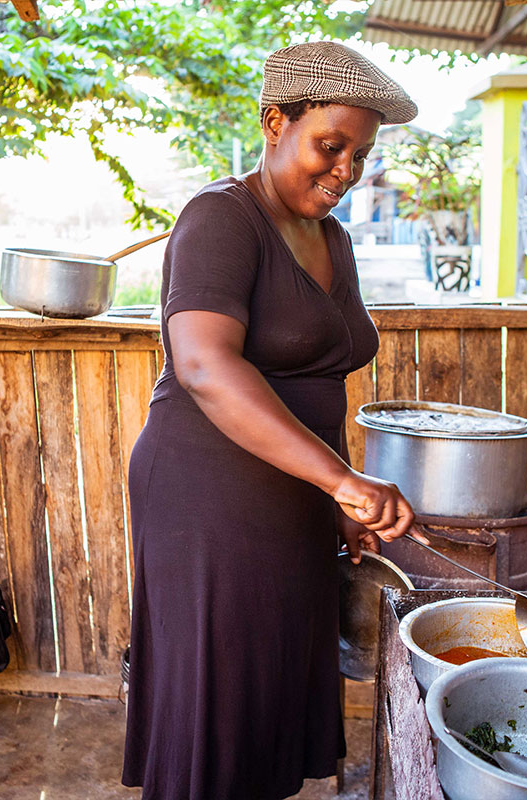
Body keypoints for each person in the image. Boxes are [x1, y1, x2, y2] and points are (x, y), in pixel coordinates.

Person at [122, 41, 420, 800]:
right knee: (218, 709)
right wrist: (343, 479)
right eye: (330, 146)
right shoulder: (221, 219)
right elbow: (204, 366)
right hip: (207, 501)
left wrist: (334, 498)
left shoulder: (333, 240)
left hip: (293, 502)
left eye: (360, 153)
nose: (346, 171)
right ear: (273, 121)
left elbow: (321, 382)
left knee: (268, 703)